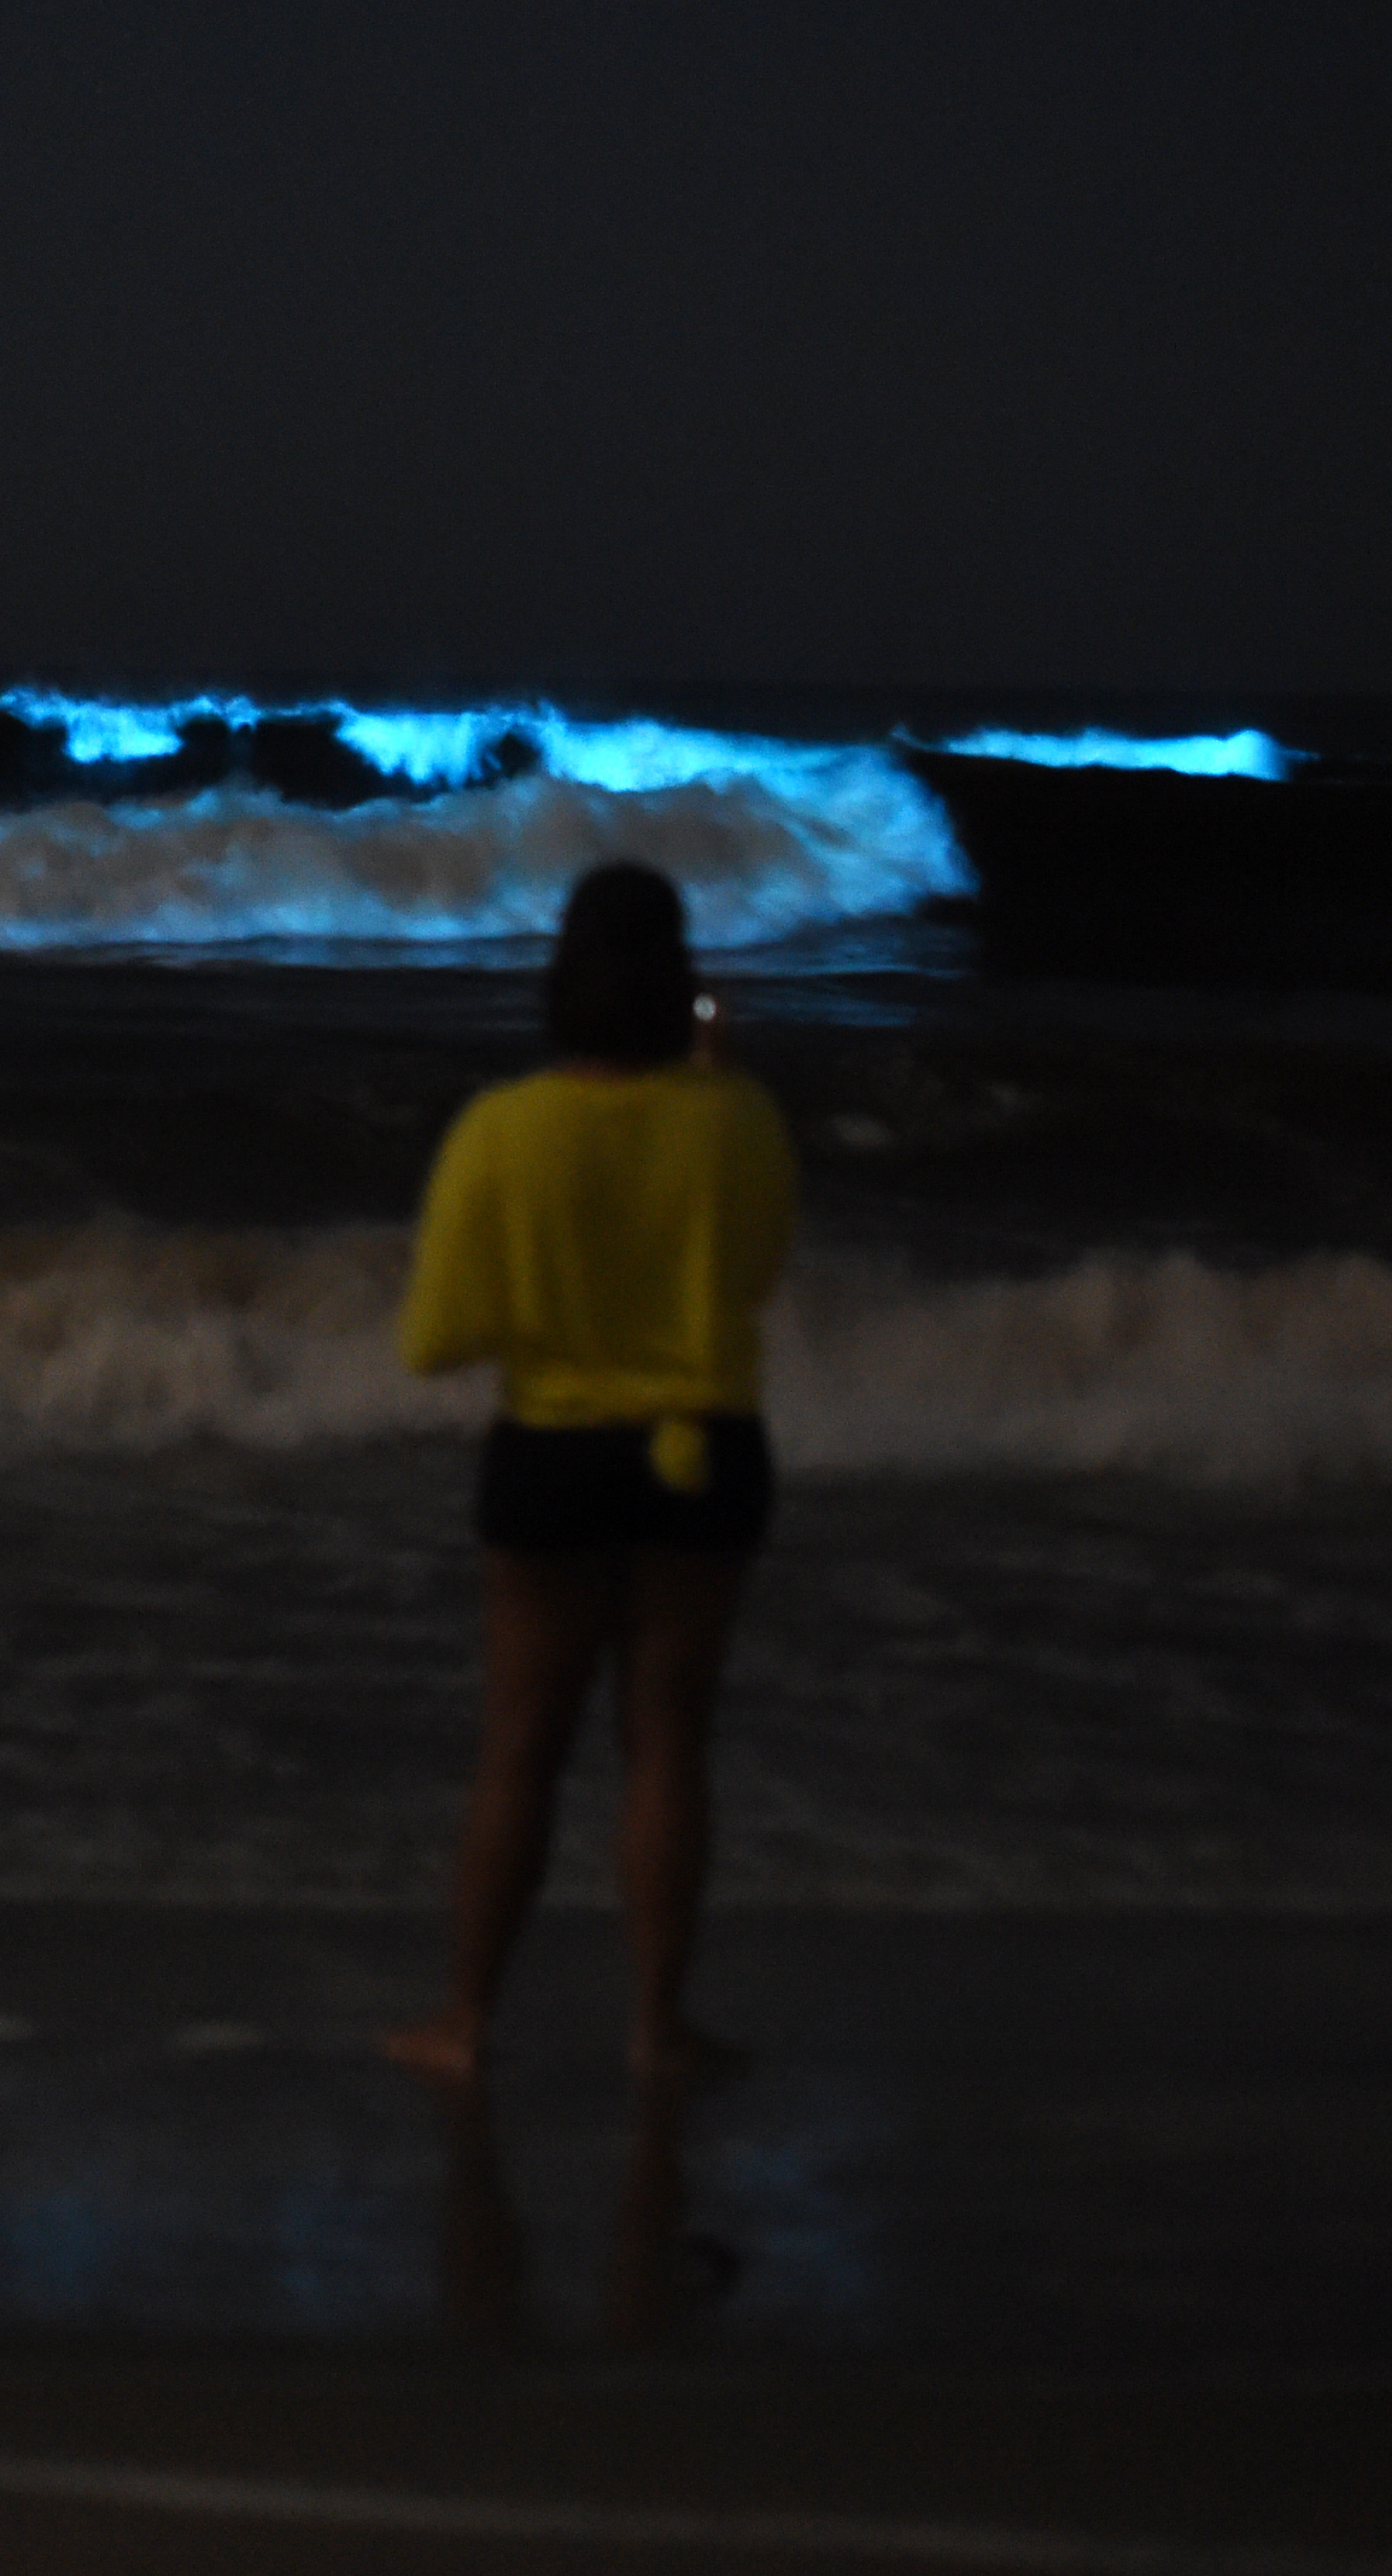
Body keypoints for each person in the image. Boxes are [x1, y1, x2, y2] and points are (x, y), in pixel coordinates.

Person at [382, 862, 794, 2088]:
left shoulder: (503, 1131)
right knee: (668, 1744)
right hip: (701, 1453)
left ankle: (465, 2022)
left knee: (521, 1748)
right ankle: (659, 2028)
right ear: (683, 987)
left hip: (553, 1459)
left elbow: (436, 1339)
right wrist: (715, 1073)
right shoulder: (741, 1121)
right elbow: (756, 1274)